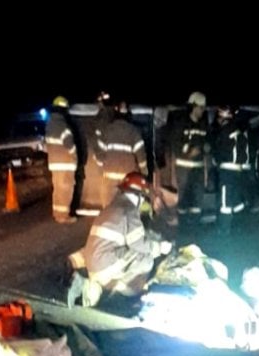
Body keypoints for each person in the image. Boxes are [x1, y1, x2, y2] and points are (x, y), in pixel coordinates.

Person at [66, 171, 172, 308]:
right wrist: (160, 248)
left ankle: (93, 280)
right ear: (140, 195)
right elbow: (139, 244)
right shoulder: (130, 210)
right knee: (146, 259)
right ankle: (124, 294)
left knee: (129, 252)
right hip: (104, 266)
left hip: (93, 262)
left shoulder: (111, 207)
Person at [93, 93, 148, 208]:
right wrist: (144, 173)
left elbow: (99, 154)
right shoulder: (134, 131)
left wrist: (104, 166)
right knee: (126, 208)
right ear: (128, 114)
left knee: (108, 208)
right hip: (127, 178)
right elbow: (141, 156)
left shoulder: (107, 130)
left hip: (109, 177)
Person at [167, 91, 209, 225]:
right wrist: (189, 153)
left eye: (204, 108)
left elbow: (205, 152)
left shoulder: (203, 126)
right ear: (194, 106)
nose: (203, 111)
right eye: (201, 107)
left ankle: (195, 233)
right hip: (183, 173)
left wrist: (205, 174)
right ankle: (183, 233)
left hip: (197, 174)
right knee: (183, 206)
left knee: (196, 206)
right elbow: (175, 149)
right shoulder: (181, 125)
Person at [211, 105, 250, 234]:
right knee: (236, 200)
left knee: (225, 202)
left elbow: (218, 151)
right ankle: (240, 227)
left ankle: (224, 230)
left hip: (226, 171)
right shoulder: (240, 131)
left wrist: (215, 160)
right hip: (238, 172)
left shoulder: (225, 131)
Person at [45, 95, 78, 224]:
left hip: (54, 163)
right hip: (65, 163)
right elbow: (70, 145)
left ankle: (57, 213)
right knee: (66, 189)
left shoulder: (49, 124)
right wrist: (75, 157)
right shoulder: (63, 126)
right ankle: (63, 216)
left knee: (58, 189)